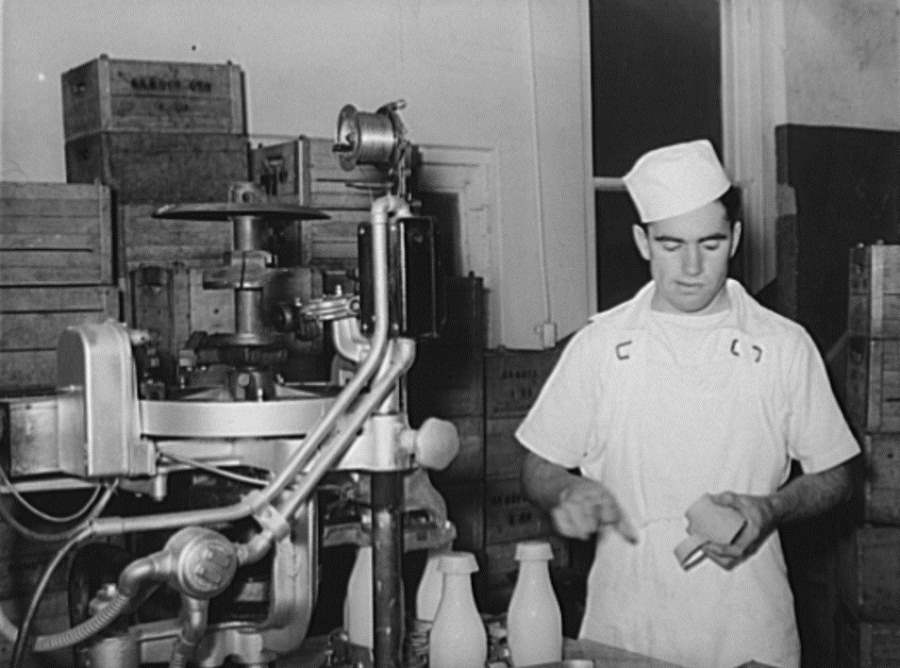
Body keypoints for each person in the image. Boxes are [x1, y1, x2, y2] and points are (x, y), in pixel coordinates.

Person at [516, 139, 860, 668]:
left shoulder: (783, 345)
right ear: (642, 241)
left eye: (711, 242)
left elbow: (837, 473)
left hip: (749, 623)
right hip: (626, 622)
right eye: (672, 245)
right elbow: (539, 463)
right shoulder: (601, 345)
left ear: (736, 238)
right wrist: (567, 489)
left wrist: (770, 508)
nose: (693, 266)